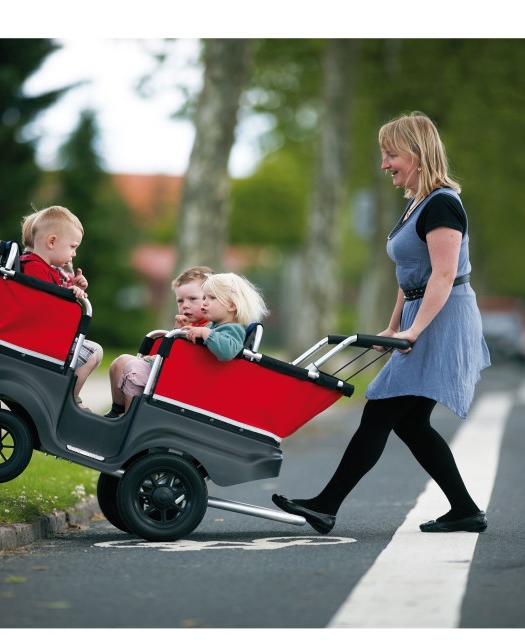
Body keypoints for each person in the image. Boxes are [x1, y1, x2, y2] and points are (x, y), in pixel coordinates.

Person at [272, 111, 491, 535]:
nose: (384, 164)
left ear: (418, 152)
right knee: (409, 421)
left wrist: (414, 330)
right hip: (422, 315)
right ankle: (465, 509)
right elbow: (410, 275)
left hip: (442, 319)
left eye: (391, 154)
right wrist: (393, 328)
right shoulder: (416, 205)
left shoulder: (443, 203)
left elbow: (443, 277)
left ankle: (326, 505)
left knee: (380, 412)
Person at [114, 272, 268, 413]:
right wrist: (183, 332)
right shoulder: (213, 326)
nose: (204, 303)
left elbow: (227, 352)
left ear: (232, 305)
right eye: (205, 297)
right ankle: (122, 414)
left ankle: (131, 418)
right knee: (125, 362)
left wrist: (206, 333)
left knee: (134, 368)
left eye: (211, 298)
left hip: (196, 386)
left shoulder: (233, 329)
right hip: (186, 377)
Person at [19, 205, 103, 411]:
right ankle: (66, 400)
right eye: (73, 247)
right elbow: (46, 304)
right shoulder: (34, 267)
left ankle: (66, 396)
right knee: (92, 353)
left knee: (94, 351)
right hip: (38, 340)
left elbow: (51, 294)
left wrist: (72, 285)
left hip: (40, 337)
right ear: (52, 242)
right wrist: (69, 293)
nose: (74, 254)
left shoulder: (42, 267)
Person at [105, 266, 214, 418]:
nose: (185, 305)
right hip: (168, 373)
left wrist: (165, 351)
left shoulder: (210, 329)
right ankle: (116, 412)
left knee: (133, 367)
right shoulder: (189, 324)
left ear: (210, 299)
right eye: (180, 301)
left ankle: (130, 419)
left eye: (192, 299)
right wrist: (177, 332)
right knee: (120, 362)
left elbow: (188, 360)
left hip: (180, 383)